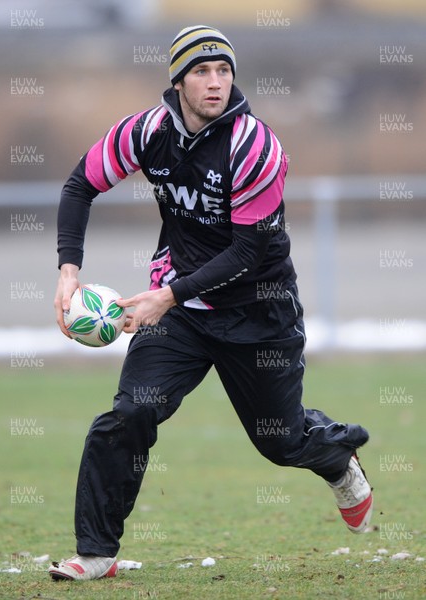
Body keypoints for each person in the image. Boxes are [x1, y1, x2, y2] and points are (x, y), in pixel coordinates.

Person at [49, 25, 373, 581]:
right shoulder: (147, 131)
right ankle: (97, 553)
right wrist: (68, 272)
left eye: (223, 71)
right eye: (201, 72)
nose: (215, 82)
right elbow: (81, 185)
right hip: (180, 315)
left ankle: (337, 455)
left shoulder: (256, 147)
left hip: (258, 312)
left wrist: (163, 296)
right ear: (177, 82)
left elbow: (250, 249)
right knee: (130, 412)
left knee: (281, 441)